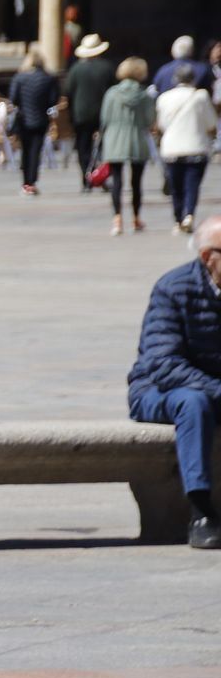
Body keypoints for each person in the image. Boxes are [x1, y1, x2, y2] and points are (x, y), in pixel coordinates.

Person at [128, 214, 221, 549]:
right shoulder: (173, 288)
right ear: (209, 257)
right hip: (157, 390)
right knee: (193, 401)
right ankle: (200, 511)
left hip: (212, 390)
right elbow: (164, 366)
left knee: (202, 399)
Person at [154, 64, 218, 234]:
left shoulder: (164, 98)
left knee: (175, 186)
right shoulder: (201, 96)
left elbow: (161, 125)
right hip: (196, 147)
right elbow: (211, 123)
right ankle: (189, 213)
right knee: (192, 184)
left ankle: (177, 218)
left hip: (172, 149)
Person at [99, 56, 155, 236]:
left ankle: (117, 219)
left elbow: (104, 119)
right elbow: (149, 120)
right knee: (136, 183)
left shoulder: (111, 93)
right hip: (137, 139)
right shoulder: (144, 94)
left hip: (114, 139)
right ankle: (136, 218)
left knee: (117, 181)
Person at [63, 33, 115, 192]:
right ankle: (101, 176)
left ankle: (86, 179)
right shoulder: (107, 68)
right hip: (103, 114)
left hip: (81, 115)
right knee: (103, 148)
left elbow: (68, 92)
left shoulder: (75, 69)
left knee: (83, 148)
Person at [9, 45, 58, 197]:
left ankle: (26, 183)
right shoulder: (48, 78)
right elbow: (53, 100)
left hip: (23, 120)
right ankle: (32, 182)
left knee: (25, 151)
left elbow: (13, 99)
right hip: (41, 120)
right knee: (36, 152)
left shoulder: (20, 78)